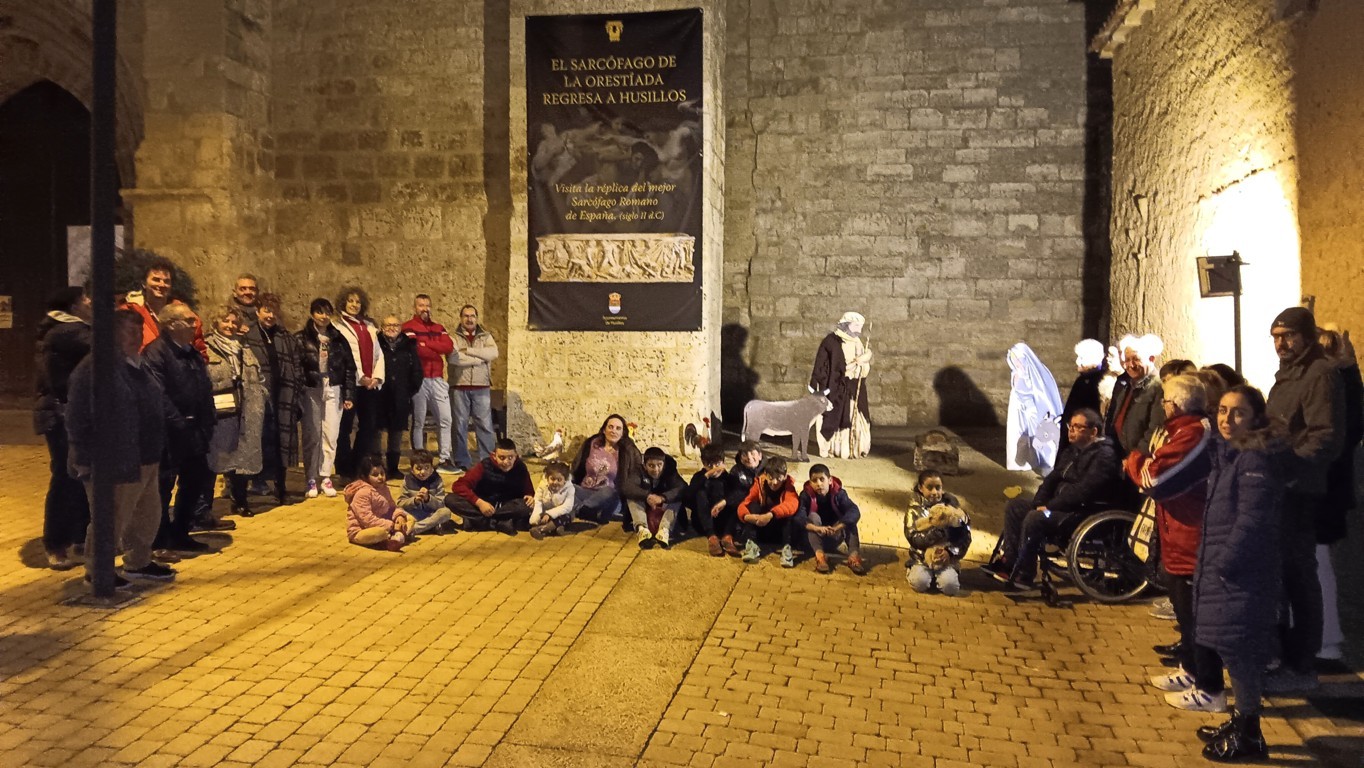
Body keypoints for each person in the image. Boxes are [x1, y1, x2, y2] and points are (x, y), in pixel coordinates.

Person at [1192, 386, 1286, 762]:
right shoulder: (1229, 455)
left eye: (1238, 413)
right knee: (1233, 651)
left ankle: (1250, 735)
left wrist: (1224, 564)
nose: (1226, 420)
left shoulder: (1253, 460)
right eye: (1223, 411)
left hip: (1241, 575)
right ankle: (1240, 719)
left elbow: (1251, 520)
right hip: (1226, 572)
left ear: (1255, 418)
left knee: (1241, 654)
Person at [1123, 375, 1219, 710]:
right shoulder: (1180, 430)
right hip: (1176, 535)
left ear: (1174, 404)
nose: (1163, 406)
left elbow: (1156, 478)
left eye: (1165, 401)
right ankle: (1191, 670)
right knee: (1183, 608)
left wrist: (1135, 461)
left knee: (1196, 616)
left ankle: (1211, 688)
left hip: (1192, 535)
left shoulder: (1193, 432)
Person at [1264, 306, 1345, 692]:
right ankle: (1281, 654)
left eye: (1288, 336)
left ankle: (1302, 662)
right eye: (1276, 337)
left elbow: (1324, 434)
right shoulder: (1290, 374)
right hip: (1278, 486)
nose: (1281, 344)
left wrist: (1290, 468)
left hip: (1298, 489)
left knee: (1299, 574)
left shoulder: (1320, 374)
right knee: (1281, 574)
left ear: (1307, 336)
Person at [66, 309, 174, 584]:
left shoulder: (138, 363)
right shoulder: (96, 367)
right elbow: (77, 414)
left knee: (147, 515)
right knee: (110, 516)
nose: (136, 336)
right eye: (129, 330)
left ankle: (138, 561)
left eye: (139, 331)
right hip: (113, 457)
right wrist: (82, 453)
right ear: (113, 333)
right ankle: (98, 570)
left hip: (145, 455)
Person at [984, 407, 1121, 589]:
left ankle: (1024, 573)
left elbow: (1084, 491)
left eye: (1077, 427)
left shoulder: (1104, 456)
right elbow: (1051, 479)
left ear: (1093, 432)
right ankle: (1010, 560)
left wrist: (1050, 507)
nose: (1071, 431)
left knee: (1035, 518)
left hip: (1080, 512)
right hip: (1059, 506)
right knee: (1016, 507)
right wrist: (1039, 502)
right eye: (1070, 426)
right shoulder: (1072, 452)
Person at [142, 303, 215, 555]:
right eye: (189, 321)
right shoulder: (156, 353)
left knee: (194, 483)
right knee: (162, 488)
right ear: (171, 324)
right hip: (169, 433)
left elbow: (204, 389)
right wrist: (179, 423)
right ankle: (159, 540)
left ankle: (181, 533)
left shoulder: (192, 353)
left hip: (195, 431)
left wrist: (208, 421)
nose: (195, 325)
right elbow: (157, 394)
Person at [34, 286, 92, 569]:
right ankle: (56, 543)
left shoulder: (69, 329)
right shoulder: (67, 332)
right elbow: (104, 344)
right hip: (60, 414)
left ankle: (79, 536)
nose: (90, 302)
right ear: (72, 306)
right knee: (66, 476)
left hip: (70, 411)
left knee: (80, 474)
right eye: (86, 299)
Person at [1317, 328, 1361, 662]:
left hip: (1325, 494)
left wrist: (1349, 369)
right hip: (1314, 491)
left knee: (1320, 567)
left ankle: (1328, 641)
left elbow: (1354, 424)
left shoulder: (1336, 388)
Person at [204, 305, 267, 518]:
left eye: (233, 322)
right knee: (215, 457)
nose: (230, 326)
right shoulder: (207, 347)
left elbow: (258, 378)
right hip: (221, 412)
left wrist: (261, 394)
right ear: (216, 323)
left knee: (241, 457)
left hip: (246, 411)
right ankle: (204, 507)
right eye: (225, 321)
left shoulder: (244, 348)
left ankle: (240, 500)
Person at [297, 298, 356, 499]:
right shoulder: (301, 338)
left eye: (327, 312)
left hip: (334, 388)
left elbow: (350, 368)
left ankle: (325, 476)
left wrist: (349, 394)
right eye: (319, 312)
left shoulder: (339, 338)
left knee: (331, 434)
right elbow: (297, 367)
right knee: (312, 434)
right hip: (311, 388)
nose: (323, 316)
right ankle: (311, 477)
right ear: (312, 314)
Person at [254, 293, 306, 504]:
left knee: (281, 441)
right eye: (266, 310)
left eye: (274, 311)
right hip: (260, 396)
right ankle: (254, 484)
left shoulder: (285, 336)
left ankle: (281, 486)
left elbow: (297, 365)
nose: (270, 315)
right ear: (258, 312)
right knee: (260, 440)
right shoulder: (249, 335)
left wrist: (297, 390)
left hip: (284, 395)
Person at [333, 287, 385, 479]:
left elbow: (378, 353)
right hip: (351, 384)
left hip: (370, 385)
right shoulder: (337, 326)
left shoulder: (369, 325)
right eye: (350, 301)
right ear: (343, 303)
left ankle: (360, 464)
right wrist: (360, 375)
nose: (354, 305)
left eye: (357, 302)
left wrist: (377, 377)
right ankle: (344, 468)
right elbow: (345, 355)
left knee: (369, 426)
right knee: (345, 427)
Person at [401, 294, 457, 473]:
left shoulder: (438, 327)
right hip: (419, 380)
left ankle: (445, 458)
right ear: (414, 307)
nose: (424, 308)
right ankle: (419, 459)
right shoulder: (408, 327)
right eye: (420, 305)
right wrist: (433, 346)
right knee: (419, 421)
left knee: (446, 419)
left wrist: (426, 343)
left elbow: (448, 347)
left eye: (427, 305)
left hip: (438, 379)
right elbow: (416, 350)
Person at [809, 311, 872, 459]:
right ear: (846, 324)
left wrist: (864, 362)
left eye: (861, 326)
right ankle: (833, 449)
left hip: (854, 387)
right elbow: (823, 367)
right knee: (833, 416)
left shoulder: (858, 342)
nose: (859, 329)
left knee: (854, 416)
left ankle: (854, 449)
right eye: (856, 325)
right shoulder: (831, 342)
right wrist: (855, 363)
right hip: (836, 387)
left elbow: (863, 368)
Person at [444, 438, 534, 534]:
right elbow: (458, 486)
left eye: (510, 457)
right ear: (494, 456)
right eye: (502, 458)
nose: (506, 462)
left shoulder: (521, 468)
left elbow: (529, 491)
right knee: (450, 499)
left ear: (516, 456)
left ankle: (480, 522)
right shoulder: (484, 466)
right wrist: (479, 502)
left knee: (525, 506)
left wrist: (530, 496)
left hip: (507, 507)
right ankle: (500, 523)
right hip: (483, 504)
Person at [570, 414, 644, 529]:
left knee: (608, 491)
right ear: (604, 429)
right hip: (585, 491)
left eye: (618, 428)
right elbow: (576, 466)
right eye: (610, 427)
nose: (613, 431)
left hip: (610, 497)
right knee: (568, 488)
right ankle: (590, 512)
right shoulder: (592, 444)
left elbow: (637, 474)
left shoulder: (627, 451)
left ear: (623, 433)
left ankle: (580, 510)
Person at [122, 256, 206, 356]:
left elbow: (201, 354)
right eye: (156, 279)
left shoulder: (186, 316)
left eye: (166, 281)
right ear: (144, 283)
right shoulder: (129, 314)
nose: (162, 285)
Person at [448, 304, 498, 470]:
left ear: (477, 318)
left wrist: (468, 350)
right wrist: (479, 358)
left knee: (485, 425)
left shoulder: (486, 336)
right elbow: (454, 359)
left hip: (481, 386)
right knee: (459, 425)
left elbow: (493, 354)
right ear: (461, 318)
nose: (469, 319)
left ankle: (488, 461)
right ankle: (462, 461)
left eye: (472, 316)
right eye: (466, 316)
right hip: (459, 386)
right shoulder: (453, 337)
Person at [904, 470, 969, 594]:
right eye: (929, 488)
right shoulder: (914, 508)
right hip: (921, 558)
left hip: (945, 560)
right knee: (920, 583)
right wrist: (937, 532)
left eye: (938, 488)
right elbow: (913, 538)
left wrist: (950, 553)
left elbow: (965, 537)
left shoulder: (952, 507)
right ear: (920, 488)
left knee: (950, 587)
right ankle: (915, 571)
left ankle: (943, 576)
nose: (934, 492)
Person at [1005, 342, 1063, 475]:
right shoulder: (1016, 372)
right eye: (1014, 360)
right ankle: (1022, 461)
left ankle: (1045, 461)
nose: (1017, 363)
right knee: (1019, 435)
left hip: (1031, 410)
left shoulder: (1036, 373)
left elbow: (1041, 393)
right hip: (1018, 409)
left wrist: (1032, 409)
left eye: (1018, 360)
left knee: (1039, 435)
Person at [797, 463, 866, 575]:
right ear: (810, 483)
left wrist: (838, 527)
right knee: (813, 517)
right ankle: (820, 557)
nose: (819, 484)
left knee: (849, 519)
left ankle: (854, 557)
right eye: (815, 480)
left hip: (834, 534)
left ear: (829, 480)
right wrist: (817, 528)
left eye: (822, 479)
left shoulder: (839, 494)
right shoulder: (805, 496)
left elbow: (854, 511)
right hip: (813, 539)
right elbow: (799, 517)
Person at [1103, 333, 1165, 456]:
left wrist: (1136, 456)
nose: (1130, 365)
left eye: (1136, 359)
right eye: (1127, 360)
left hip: (1137, 458)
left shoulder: (1158, 388)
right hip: (1118, 452)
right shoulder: (1126, 385)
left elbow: (1155, 428)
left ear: (1151, 359)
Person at [377, 315, 422, 477]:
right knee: (377, 432)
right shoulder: (376, 343)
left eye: (395, 325)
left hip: (401, 396)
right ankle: (377, 467)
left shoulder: (409, 345)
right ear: (382, 327)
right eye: (388, 325)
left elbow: (417, 370)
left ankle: (393, 468)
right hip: (379, 395)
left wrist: (409, 390)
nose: (392, 328)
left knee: (396, 433)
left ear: (400, 327)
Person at [738, 457, 800, 566]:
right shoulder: (759, 484)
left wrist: (770, 515)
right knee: (753, 506)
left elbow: (792, 504)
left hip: (780, 530)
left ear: (785, 476)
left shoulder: (789, 487)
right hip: (761, 527)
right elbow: (745, 503)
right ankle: (752, 545)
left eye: (779, 478)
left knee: (788, 514)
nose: (774, 482)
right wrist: (747, 516)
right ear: (766, 475)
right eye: (771, 478)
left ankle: (786, 549)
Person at [345, 455, 411, 551]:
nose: (380, 477)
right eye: (375, 475)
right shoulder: (362, 493)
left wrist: (399, 516)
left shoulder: (384, 488)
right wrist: (391, 526)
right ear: (365, 477)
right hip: (362, 530)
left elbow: (392, 507)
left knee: (409, 518)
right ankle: (395, 538)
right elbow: (367, 520)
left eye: (382, 473)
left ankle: (396, 537)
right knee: (381, 532)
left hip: (385, 523)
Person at [625, 446, 686, 549]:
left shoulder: (670, 471)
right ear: (645, 466)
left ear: (664, 464)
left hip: (664, 508)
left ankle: (664, 531)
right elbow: (628, 487)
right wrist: (647, 496)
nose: (656, 469)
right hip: (645, 508)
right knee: (632, 497)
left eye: (659, 465)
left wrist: (663, 498)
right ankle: (642, 529)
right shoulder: (638, 471)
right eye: (651, 465)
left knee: (676, 498)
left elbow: (681, 488)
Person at [685, 444, 735, 557]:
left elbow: (738, 495)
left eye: (717, 464)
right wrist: (705, 476)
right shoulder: (699, 477)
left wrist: (724, 502)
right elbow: (687, 497)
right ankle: (712, 538)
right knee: (700, 493)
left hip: (724, 523)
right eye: (709, 465)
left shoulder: (729, 478)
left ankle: (727, 537)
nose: (714, 469)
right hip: (703, 524)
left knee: (734, 499)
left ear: (723, 462)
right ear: (703, 463)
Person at [1060, 339, 1106, 451]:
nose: (1077, 361)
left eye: (1081, 358)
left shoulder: (1098, 382)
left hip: (1083, 436)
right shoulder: (1082, 380)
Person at [396, 450, 453, 537]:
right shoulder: (407, 480)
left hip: (431, 515)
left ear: (432, 469)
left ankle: (413, 529)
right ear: (412, 470)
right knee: (399, 513)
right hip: (414, 514)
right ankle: (432, 527)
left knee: (445, 512)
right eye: (418, 468)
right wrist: (414, 501)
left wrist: (428, 499)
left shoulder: (437, 480)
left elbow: (441, 504)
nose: (422, 472)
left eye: (426, 468)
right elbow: (400, 503)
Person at [721, 441, 764, 556]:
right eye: (745, 454)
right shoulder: (737, 471)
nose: (749, 458)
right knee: (736, 502)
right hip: (743, 507)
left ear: (760, 455)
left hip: (763, 508)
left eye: (753, 454)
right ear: (740, 457)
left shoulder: (767, 470)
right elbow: (733, 492)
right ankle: (728, 536)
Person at [529, 461, 576, 539]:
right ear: (547, 478)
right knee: (531, 514)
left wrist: (549, 514)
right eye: (552, 479)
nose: (555, 482)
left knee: (566, 517)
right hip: (545, 512)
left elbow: (567, 507)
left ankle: (542, 529)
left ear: (565, 479)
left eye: (559, 480)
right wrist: (536, 516)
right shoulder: (542, 486)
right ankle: (557, 529)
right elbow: (538, 500)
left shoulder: (570, 489)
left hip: (561, 513)